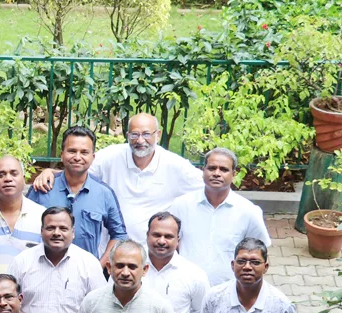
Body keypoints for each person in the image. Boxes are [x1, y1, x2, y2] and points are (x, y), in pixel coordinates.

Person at [32, 113, 203, 244]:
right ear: (127, 135)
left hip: (154, 252)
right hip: (114, 255)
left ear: (157, 134)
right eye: (135, 134)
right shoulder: (111, 156)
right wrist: (49, 172)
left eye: (146, 134)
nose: (140, 140)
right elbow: (78, 169)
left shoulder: (175, 165)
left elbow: (208, 185)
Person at [7, 207, 105, 313]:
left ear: (73, 232)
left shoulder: (89, 263)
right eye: (51, 228)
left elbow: (101, 307)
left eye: (63, 228)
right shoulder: (22, 262)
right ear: (41, 231)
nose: (57, 233)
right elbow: (6, 304)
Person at [169, 148, 272, 287]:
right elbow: (169, 245)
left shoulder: (248, 211)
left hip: (229, 291)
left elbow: (259, 251)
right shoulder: (180, 206)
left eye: (223, 169)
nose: (216, 173)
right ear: (203, 170)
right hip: (185, 288)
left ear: (233, 174)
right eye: (212, 168)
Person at [25, 127, 127, 267]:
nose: (77, 157)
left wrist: (98, 266)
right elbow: (23, 225)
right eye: (72, 151)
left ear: (93, 157)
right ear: (62, 155)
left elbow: (119, 235)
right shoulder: (42, 188)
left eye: (84, 152)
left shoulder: (104, 193)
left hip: (86, 275)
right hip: (42, 269)